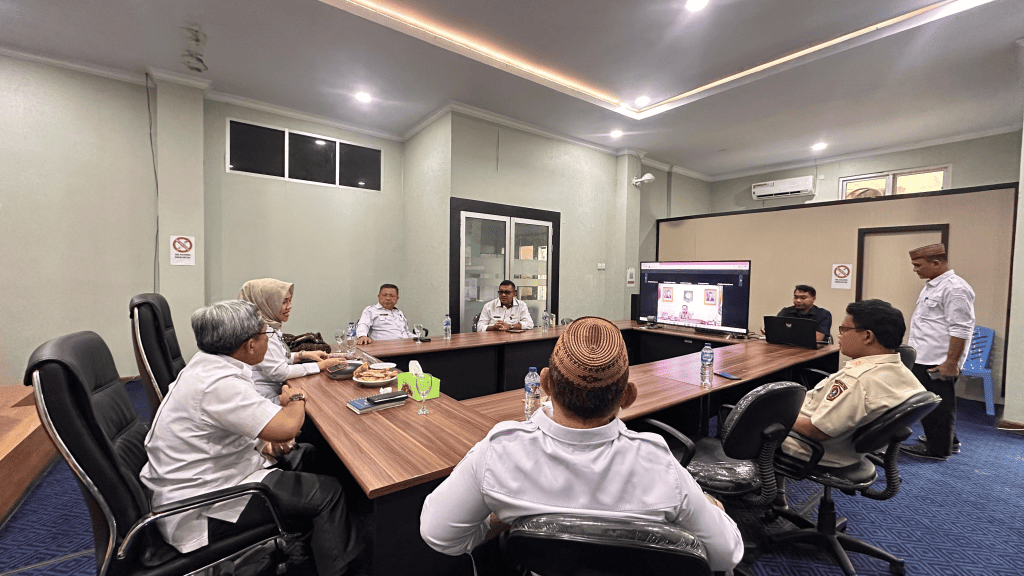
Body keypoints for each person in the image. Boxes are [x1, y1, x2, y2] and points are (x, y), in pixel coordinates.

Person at [420, 317, 743, 573]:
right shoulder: (659, 464)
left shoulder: (498, 452)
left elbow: (442, 538)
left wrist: (500, 519)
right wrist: (712, 507)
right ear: (628, 396)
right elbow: (725, 556)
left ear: (545, 383)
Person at [139, 300, 363, 576]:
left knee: (309, 454)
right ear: (250, 345)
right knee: (329, 492)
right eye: (265, 335)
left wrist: (266, 439)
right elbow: (286, 428)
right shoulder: (218, 384)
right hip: (203, 505)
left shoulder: (208, 366)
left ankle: (310, 544)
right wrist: (296, 398)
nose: (269, 342)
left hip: (207, 478)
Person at [780, 300, 925, 470]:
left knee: (748, 419)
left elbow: (817, 431)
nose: (839, 335)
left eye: (844, 330)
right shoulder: (901, 371)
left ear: (867, 336)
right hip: (846, 446)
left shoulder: (858, 381)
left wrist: (780, 415)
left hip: (813, 448)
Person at [900, 243, 975, 460]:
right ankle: (947, 440)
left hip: (938, 359)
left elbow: (961, 328)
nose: (915, 269)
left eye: (917, 265)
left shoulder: (955, 288)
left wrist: (951, 362)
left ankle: (938, 449)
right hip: (924, 355)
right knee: (932, 403)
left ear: (936, 263)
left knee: (939, 405)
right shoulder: (932, 285)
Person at [239, 278, 344, 403]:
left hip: (275, 392)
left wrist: (303, 355)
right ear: (266, 303)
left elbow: (277, 357)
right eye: (284, 302)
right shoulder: (263, 332)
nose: (290, 306)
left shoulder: (269, 325)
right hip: (266, 399)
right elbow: (280, 371)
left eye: (290, 300)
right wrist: (319, 366)